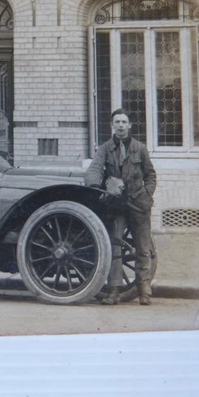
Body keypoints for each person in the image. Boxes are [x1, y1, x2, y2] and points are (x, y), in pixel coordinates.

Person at [84, 108, 157, 305]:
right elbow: (95, 169)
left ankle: (144, 291)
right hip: (116, 206)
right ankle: (114, 291)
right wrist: (93, 186)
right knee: (114, 248)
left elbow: (150, 175)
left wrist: (147, 195)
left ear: (130, 125)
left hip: (139, 205)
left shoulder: (139, 148)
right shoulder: (105, 148)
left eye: (124, 122)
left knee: (142, 248)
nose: (121, 126)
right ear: (112, 126)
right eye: (117, 122)